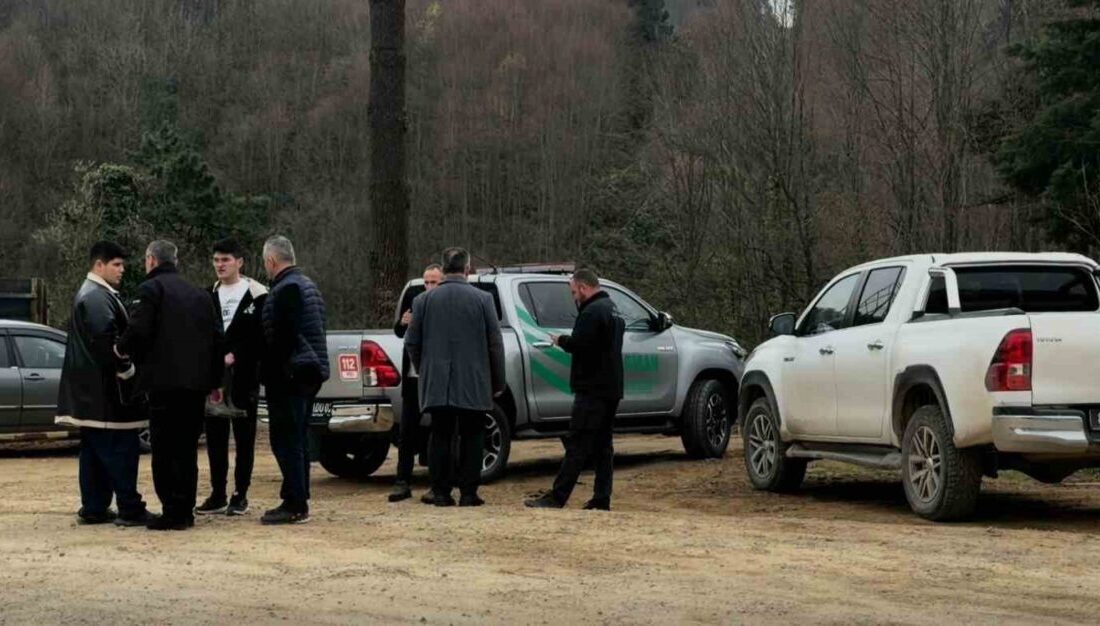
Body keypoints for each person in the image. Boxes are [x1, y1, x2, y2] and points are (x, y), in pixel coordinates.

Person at [116, 240, 223, 531]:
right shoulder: (201, 294)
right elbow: (216, 339)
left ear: (151, 260)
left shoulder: (151, 290)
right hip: (195, 385)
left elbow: (138, 329)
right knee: (187, 448)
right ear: (175, 260)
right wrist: (215, 381)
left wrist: (120, 350)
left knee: (164, 449)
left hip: (163, 384)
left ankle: (172, 510)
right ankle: (185, 508)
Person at [55, 241, 152, 527]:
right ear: (99, 265)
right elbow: (107, 342)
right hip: (107, 395)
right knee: (120, 451)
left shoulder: (92, 294)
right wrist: (127, 370)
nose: (122, 270)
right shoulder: (97, 297)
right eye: (116, 265)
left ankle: (94, 506)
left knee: (94, 453)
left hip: (92, 394)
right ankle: (130, 508)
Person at [405, 247, 505, 507]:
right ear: (467, 269)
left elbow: (412, 342)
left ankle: (440, 492)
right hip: (473, 379)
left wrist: (425, 368)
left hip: (437, 379)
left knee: (440, 434)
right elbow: (495, 344)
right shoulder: (483, 300)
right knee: (473, 434)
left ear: (444, 268)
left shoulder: (422, 302)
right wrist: (497, 380)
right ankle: (469, 493)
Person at [525, 268, 624, 511]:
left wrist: (561, 341)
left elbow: (581, 345)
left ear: (583, 287)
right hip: (611, 386)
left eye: (573, 292)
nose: (574, 297)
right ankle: (602, 497)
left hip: (592, 388)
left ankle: (557, 497)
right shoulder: (613, 309)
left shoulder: (591, 312)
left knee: (578, 442)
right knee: (603, 445)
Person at [259, 235, 329, 525]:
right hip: (310, 369)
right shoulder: (307, 285)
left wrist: (270, 371)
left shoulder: (286, 289)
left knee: (286, 439)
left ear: (272, 261)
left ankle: (295, 502)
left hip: (292, 373)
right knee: (297, 437)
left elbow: (284, 337)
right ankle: (296, 495)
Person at [196, 238, 268, 517]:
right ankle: (218, 493)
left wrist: (237, 354)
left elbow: (262, 336)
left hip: (244, 378)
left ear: (239, 262)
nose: (220, 265)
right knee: (215, 437)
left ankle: (240, 494)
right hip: (214, 379)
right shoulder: (207, 295)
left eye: (225, 260)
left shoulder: (258, 294)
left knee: (244, 437)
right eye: (216, 260)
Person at [388, 263, 444, 503]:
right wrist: (403, 322)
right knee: (407, 431)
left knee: (439, 429)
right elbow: (399, 332)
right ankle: (402, 481)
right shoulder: (414, 298)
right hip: (412, 375)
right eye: (427, 282)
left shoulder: (445, 304)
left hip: (436, 375)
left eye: (434, 282)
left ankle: (438, 482)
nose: (429, 286)